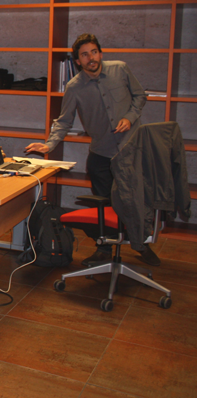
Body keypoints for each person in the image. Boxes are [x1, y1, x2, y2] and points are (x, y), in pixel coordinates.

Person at [23, 33, 156, 266]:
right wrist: (50, 144)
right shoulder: (74, 87)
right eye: (84, 55)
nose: (90, 58)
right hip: (101, 155)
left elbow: (140, 96)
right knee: (103, 205)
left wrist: (130, 117)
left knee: (134, 202)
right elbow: (64, 121)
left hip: (131, 150)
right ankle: (104, 248)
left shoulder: (120, 69)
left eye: (94, 52)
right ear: (78, 61)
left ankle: (140, 244)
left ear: (100, 53)